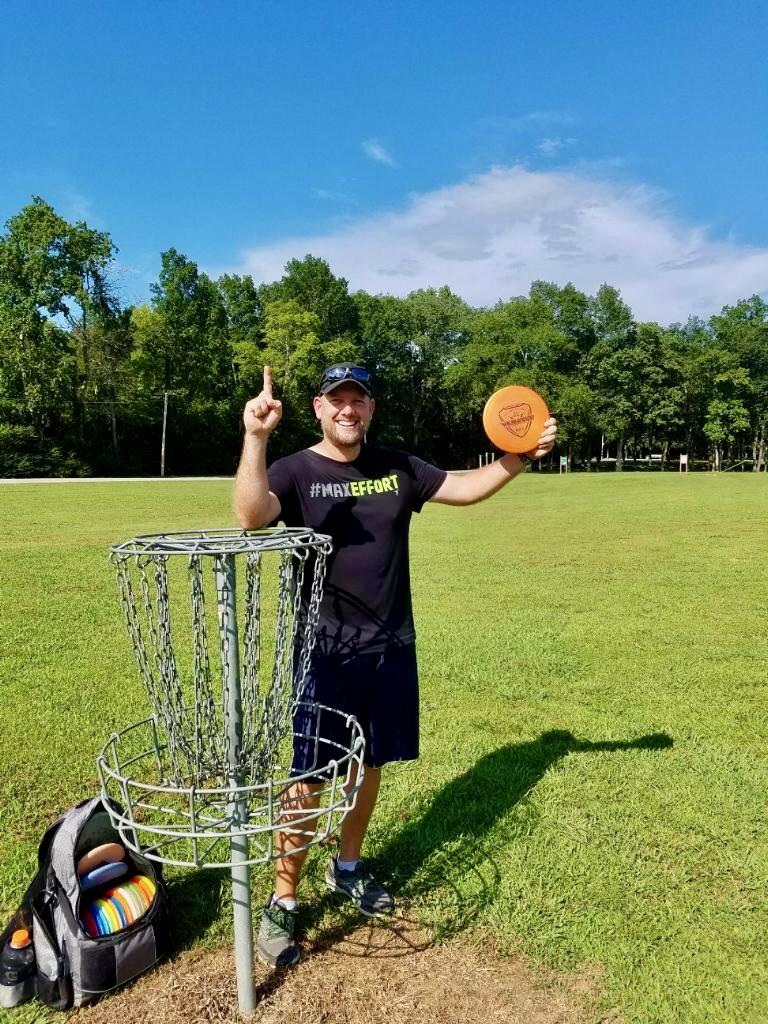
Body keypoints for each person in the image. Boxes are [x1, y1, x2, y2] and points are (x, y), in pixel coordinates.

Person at [233, 362, 557, 967]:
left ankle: (348, 868)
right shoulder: (296, 470)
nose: (348, 410)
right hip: (323, 652)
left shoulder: (397, 466)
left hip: (390, 646)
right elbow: (251, 516)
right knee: (309, 776)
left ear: (371, 409)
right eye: (338, 401)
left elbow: (463, 487)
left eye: (358, 400)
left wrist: (520, 456)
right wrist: (255, 438)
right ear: (319, 408)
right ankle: (283, 898)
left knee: (372, 763)